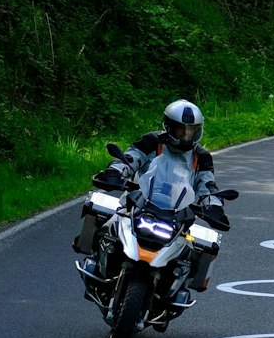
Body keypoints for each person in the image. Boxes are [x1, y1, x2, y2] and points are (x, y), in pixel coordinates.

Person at [74, 99, 229, 296]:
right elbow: (131, 158)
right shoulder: (152, 141)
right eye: (181, 129)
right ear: (168, 126)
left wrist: (213, 205)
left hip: (177, 213)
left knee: (191, 254)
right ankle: (96, 266)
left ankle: (173, 292)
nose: (186, 135)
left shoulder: (202, 157)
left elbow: (207, 185)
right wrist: (115, 171)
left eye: (191, 130)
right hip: (139, 202)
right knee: (107, 227)